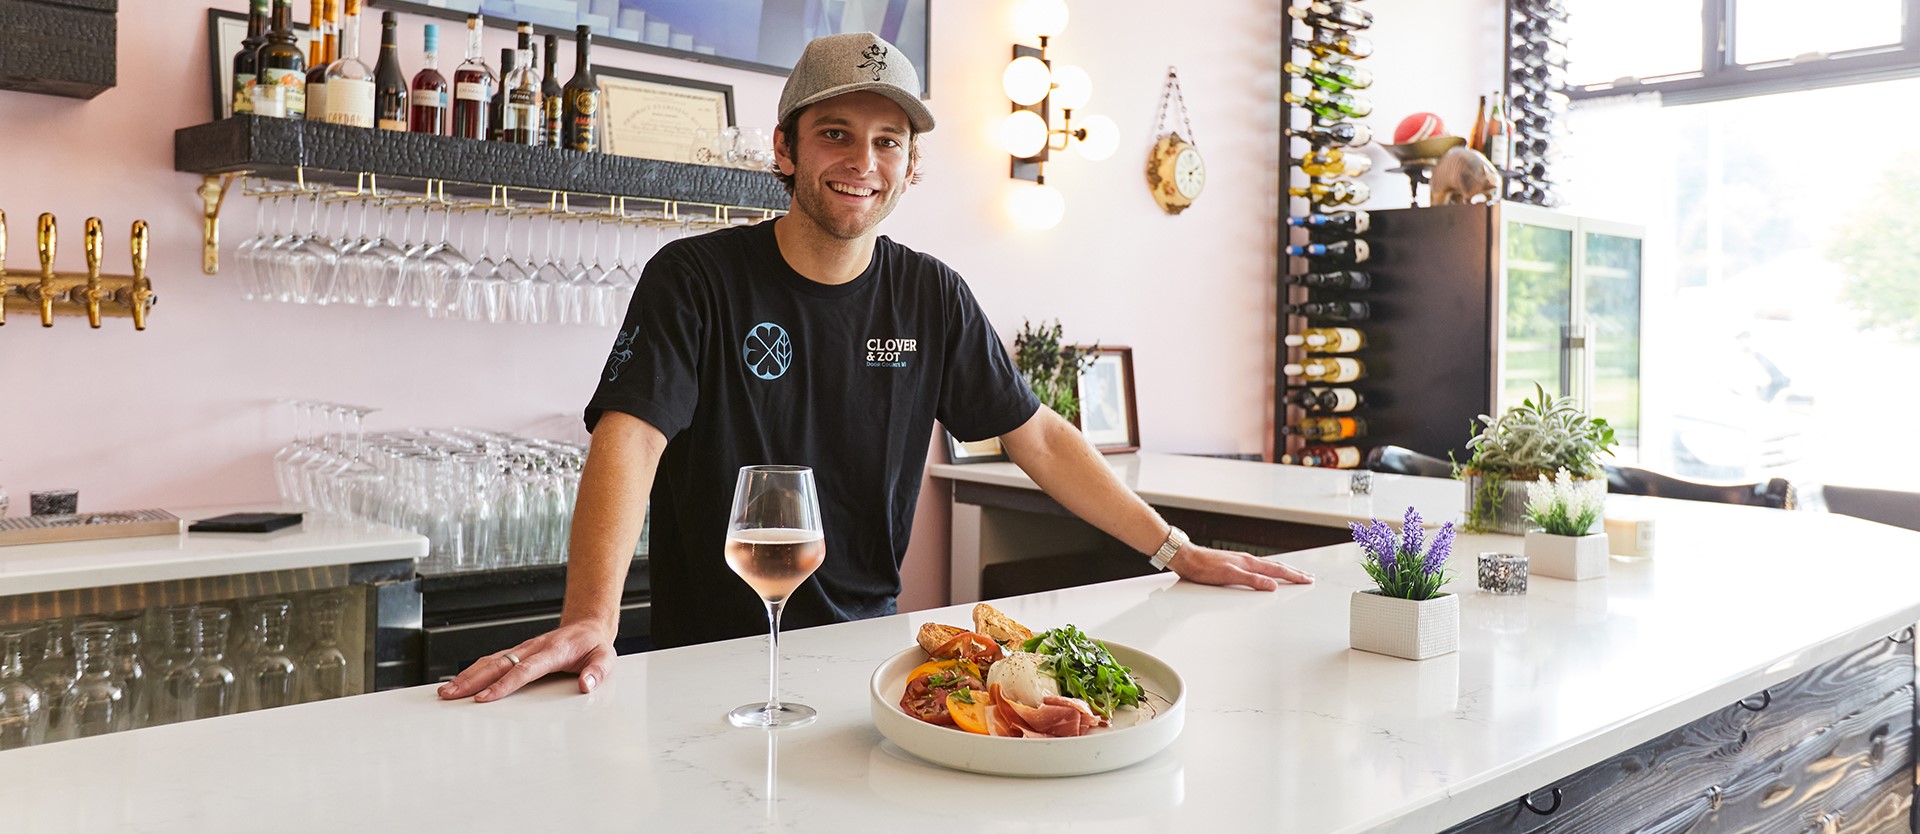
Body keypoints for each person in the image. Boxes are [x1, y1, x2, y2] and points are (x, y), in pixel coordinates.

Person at [439, 32, 1312, 704]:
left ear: (910, 167)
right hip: (706, 662)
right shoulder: (696, 279)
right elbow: (630, 436)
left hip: (867, 659)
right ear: (786, 151)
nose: (863, 162)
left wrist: (1172, 547)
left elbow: (1035, 433)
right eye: (835, 134)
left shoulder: (933, 296)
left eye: (888, 142)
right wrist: (590, 617)